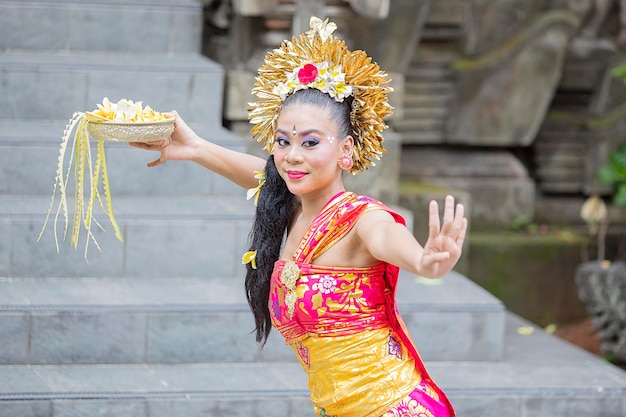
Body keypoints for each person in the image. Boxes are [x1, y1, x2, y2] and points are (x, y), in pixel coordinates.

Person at [131, 17, 467, 417]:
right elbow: (259, 173)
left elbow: (392, 241)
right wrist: (195, 147)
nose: (293, 156)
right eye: (283, 141)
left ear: (346, 150)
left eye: (310, 143)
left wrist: (424, 262)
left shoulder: (361, 220)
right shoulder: (287, 208)